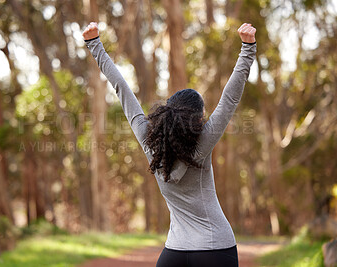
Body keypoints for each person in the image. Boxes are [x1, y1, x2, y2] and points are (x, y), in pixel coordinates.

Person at [82, 21, 256, 267]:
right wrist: (248, 48)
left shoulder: (149, 142)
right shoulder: (202, 144)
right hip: (216, 247)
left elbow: (122, 90)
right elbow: (229, 99)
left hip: (175, 251)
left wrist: (94, 44)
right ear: (197, 120)